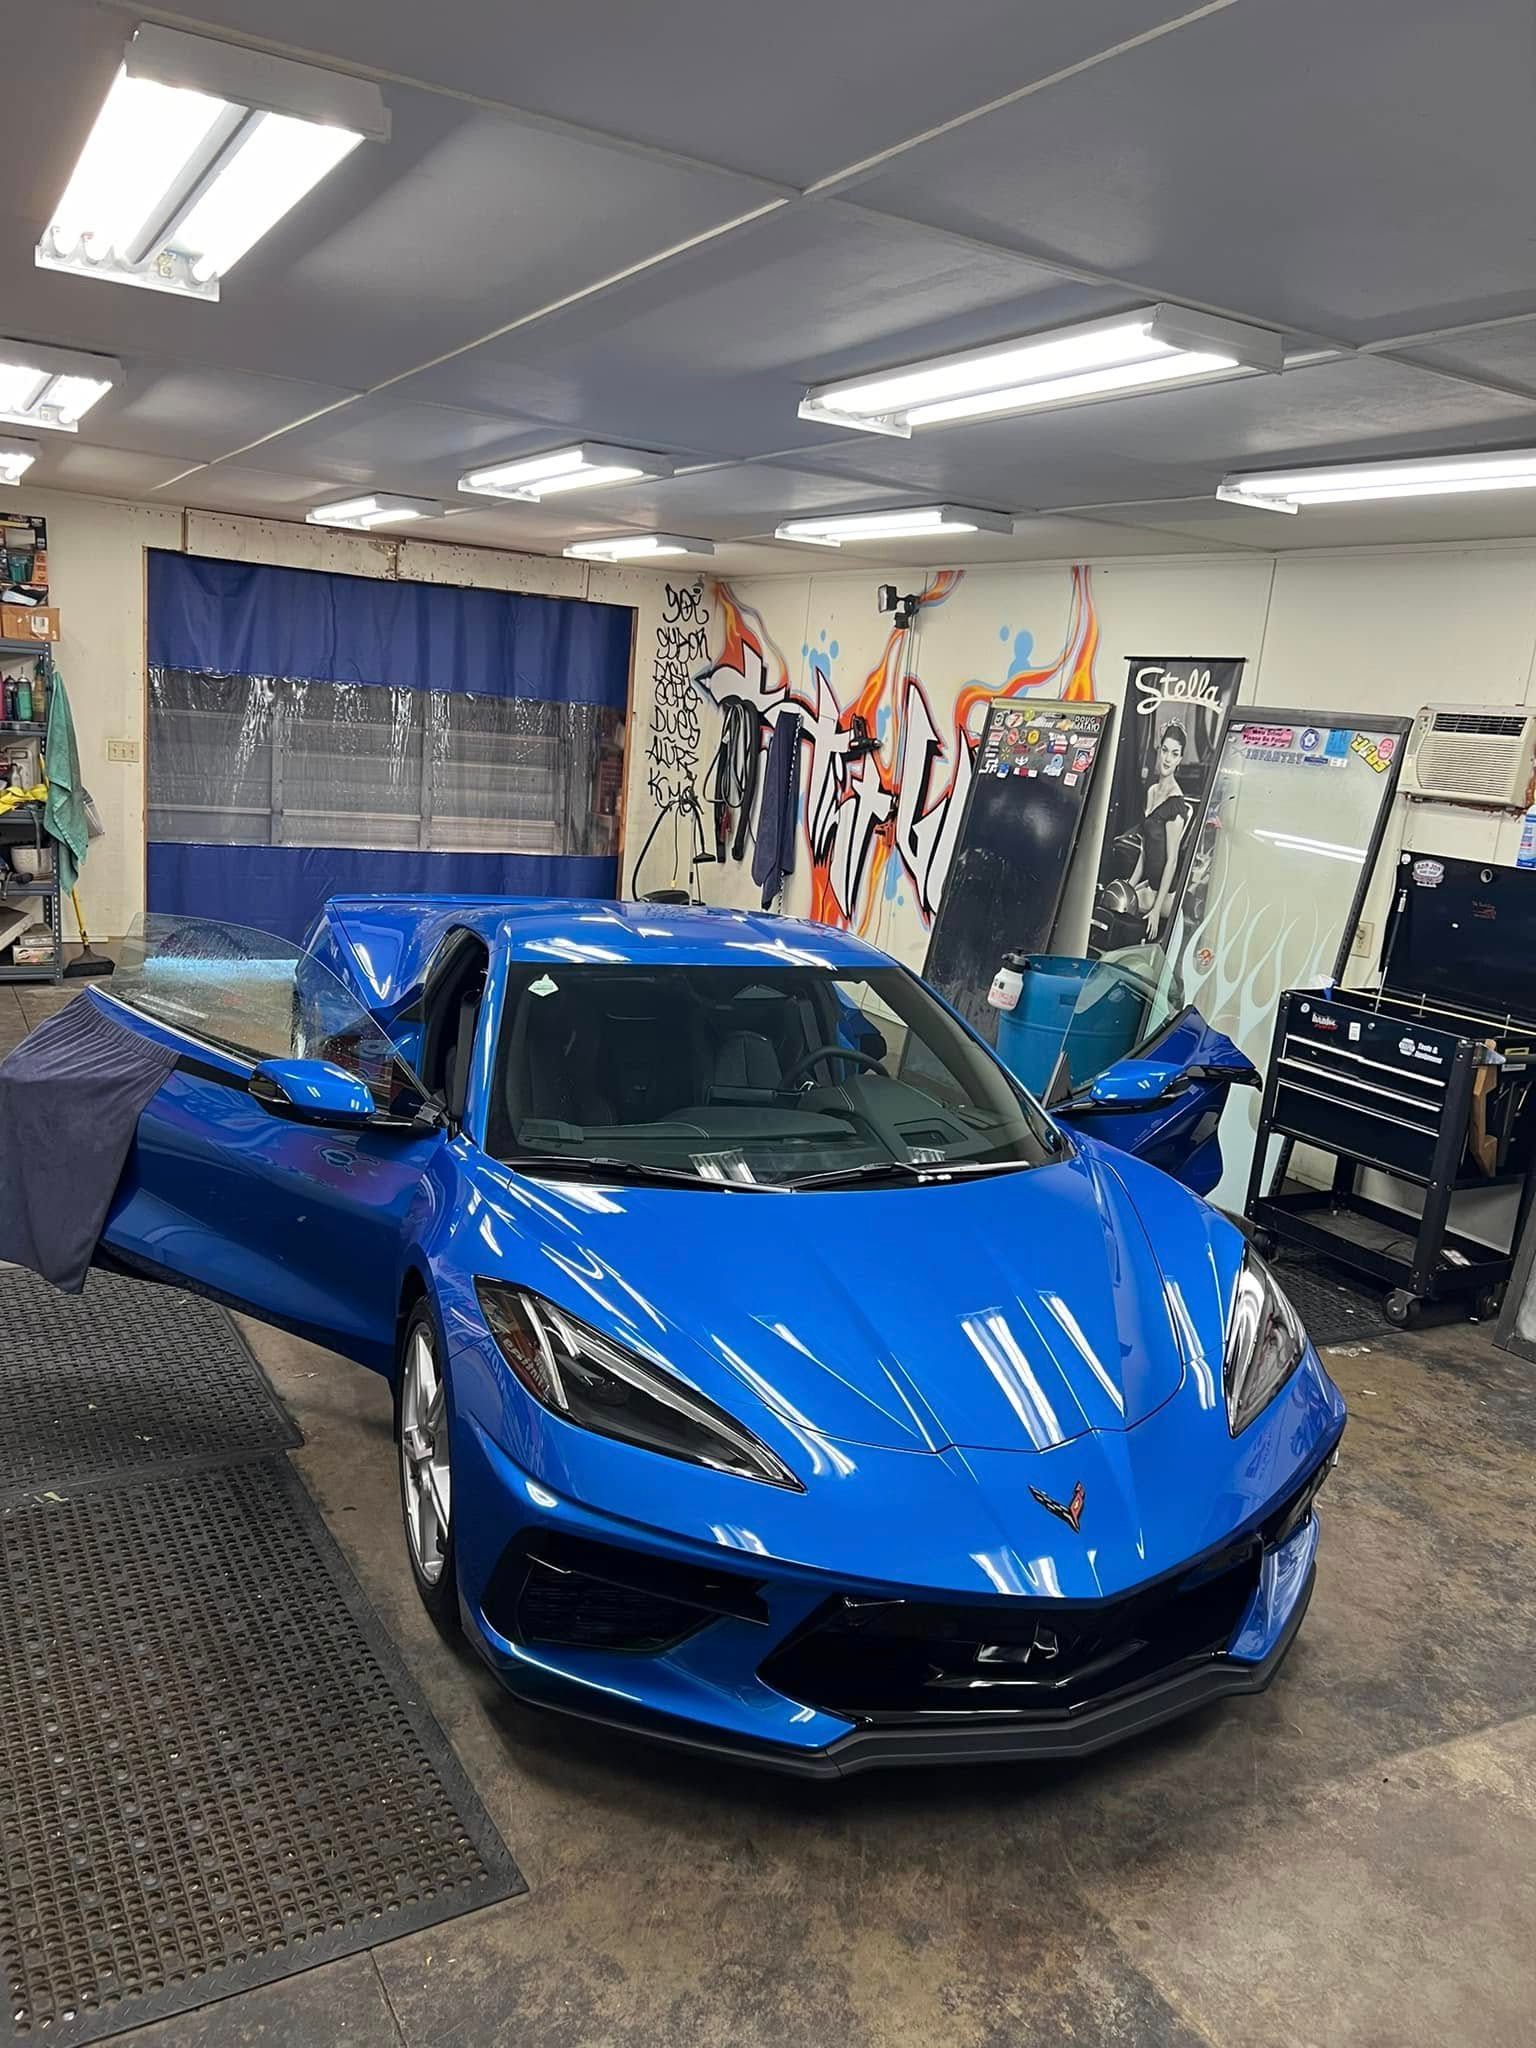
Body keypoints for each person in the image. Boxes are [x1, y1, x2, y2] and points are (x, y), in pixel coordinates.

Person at [1125, 720, 1191, 943]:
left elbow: (1171, 861)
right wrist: (1129, 885)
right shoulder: (1152, 791)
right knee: (1117, 902)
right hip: (1150, 886)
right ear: (1159, 750)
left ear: (1180, 759)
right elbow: (1146, 850)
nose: (1167, 759)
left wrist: (1155, 909)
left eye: (1174, 754)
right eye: (1164, 750)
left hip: (1166, 895)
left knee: (1124, 916)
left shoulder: (1176, 803)